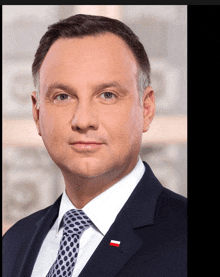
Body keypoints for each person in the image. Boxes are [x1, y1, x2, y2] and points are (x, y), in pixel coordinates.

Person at [3, 14, 187, 277]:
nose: (83, 120)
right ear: (37, 113)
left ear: (146, 109)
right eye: (63, 96)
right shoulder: (14, 243)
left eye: (107, 95)